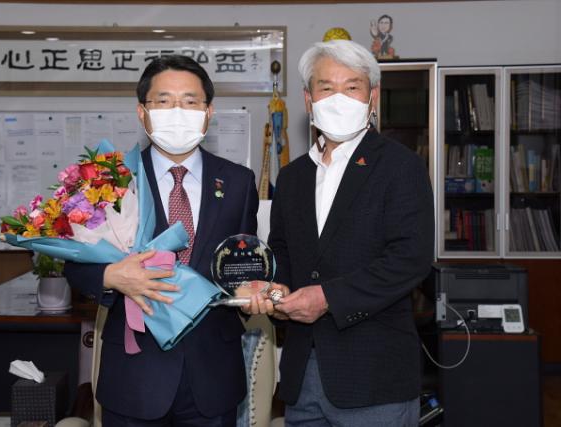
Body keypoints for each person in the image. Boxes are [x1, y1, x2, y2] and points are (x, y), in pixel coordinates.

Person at [246, 40, 434, 426]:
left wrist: (327, 297)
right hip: (302, 376)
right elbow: (282, 253)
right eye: (326, 87)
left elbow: (410, 259)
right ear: (308, 99)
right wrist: (273, 293)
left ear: (372, 97)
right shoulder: (293, 177)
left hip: (374, 379)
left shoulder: (401, 166)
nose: (339, 98)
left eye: (352, 87)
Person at [65, 55, 259, 426]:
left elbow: (241, 262)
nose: (178, 112)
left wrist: (255, 289)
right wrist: (109, 276)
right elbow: (74, 264)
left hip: (212, 374)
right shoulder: (112, 180)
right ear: (143, 112)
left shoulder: (238, 182)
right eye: (164, 101)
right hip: (135, 373)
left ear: (208, 112)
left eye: (190, 101)